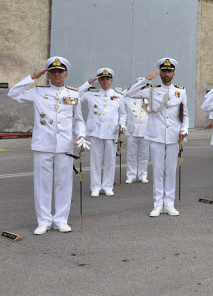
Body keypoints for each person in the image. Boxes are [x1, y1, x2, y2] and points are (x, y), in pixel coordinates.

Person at [8, 56, 89, 235]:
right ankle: (43, 220)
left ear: (66, 73)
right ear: (49, 74)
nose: (56, 74)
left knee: (64, 184)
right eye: (53, 71)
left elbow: (78, 120)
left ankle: (61, 220)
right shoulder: (38, 91)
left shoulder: (73, 93)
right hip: (43, 145)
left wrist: (82, 134)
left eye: (60, 71)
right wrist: (32, 77)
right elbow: (13, 94)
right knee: (42, 185)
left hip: (65, 147)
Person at [125, 58, 188, 217]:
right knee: (158, 171)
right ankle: (158, 204)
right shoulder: (151, 89)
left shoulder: (180, 91)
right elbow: (129, 93)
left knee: (171, 171)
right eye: (163, 71)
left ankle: (169, 203)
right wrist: (147, 79)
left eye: (169, 71)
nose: (166, 74)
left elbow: (185, 115)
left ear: (174, 73)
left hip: (174, 136)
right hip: (156, 136)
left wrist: (184, 129)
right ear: (160, 72)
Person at [78, 68, 127, 197]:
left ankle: (107, 186)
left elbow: (123, 114)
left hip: (111, 132)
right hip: (95, 132)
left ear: (111, 80)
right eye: (102, 79)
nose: (105, 81)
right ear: (98, 81)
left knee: (110, 161)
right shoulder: (91, 94)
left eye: (107, 79)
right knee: (95, 160)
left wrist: (122, 123)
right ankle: (95, 187)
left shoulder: (119, 96)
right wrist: (88, 83)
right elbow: (76, 95)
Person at [124, 77, 150, 184]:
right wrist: (130, 89)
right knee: (131, 155)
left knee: (144, 155)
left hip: (146, 130)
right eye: (140, 86)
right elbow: (121, 95)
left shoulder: (150, 98)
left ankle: (143, 175)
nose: (142, 88)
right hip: (132, 130)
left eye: (144, 86)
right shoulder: (130, 97)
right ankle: (131, 175)